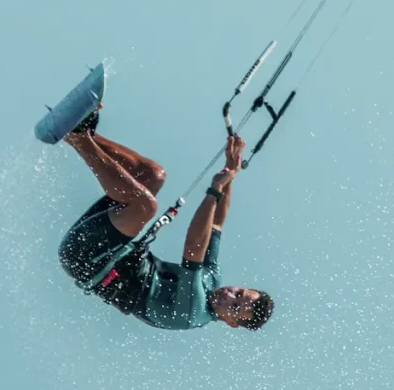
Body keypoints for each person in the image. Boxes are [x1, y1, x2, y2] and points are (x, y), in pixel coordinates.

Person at [57, 104, 274, 331]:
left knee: (145, 206)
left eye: (235, 307)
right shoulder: (212, 280)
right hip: (108, 245)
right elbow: (216, 223)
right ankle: (84, 135)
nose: (229, 296)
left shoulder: (193, 312)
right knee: (152, 175)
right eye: (238, 292)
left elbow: (193, 249)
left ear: (231, 322)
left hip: (86, 259)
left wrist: (214, 189)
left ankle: (79, 137)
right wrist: (230, 173)